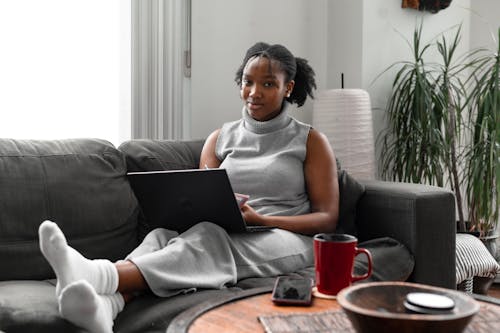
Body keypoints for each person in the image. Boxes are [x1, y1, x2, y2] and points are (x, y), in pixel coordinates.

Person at [37, 42, 406, 333]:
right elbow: (200, 195)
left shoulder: (310, 141)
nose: (254, 92)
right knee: (166, 234)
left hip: (288, 238)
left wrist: (260, 218)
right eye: (247, 81)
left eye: (268, 83)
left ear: (287, 87)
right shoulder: (220, 137)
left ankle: (101, 274)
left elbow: (327, 218)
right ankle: (107, 308)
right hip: (233, 229)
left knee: (209, 237)